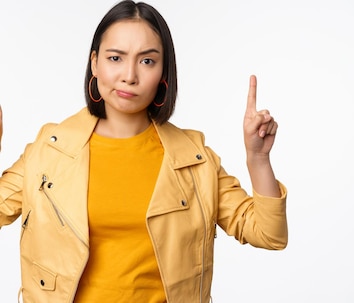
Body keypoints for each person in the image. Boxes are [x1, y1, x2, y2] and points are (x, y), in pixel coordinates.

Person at [0, 1, 288, 302]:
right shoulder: (49, 151)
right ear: (95, 63)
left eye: (147, 61)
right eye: (115, 58)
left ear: (164, 72)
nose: (129, 75)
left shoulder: (194, 159)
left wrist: (258, 159)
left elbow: (269, 234)